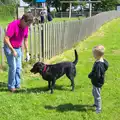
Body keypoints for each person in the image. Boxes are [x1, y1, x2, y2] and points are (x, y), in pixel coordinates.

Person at [4, 13, 33, 92]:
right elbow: (6, 39)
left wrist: (27, 52)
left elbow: (26, 40)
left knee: (18, 68)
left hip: (18, 48)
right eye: (27, 24)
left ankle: (17, 84)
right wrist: (12, 50)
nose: (28, 26)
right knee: (13, 67)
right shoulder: (13, 25)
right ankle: (11, 86)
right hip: (9, 48)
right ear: (23, 20)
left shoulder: (26, 27)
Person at [88, 45, 109, 113]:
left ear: (97, 55)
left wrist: (90, 75)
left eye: (93, 54)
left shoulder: (99, 65)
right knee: (94, 93)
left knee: (97, 95)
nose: (93, 55)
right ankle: (96, 104)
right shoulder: (101, 61)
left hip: (97, 83)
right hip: (97, 82)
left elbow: (97, 75)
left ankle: (98, 109)